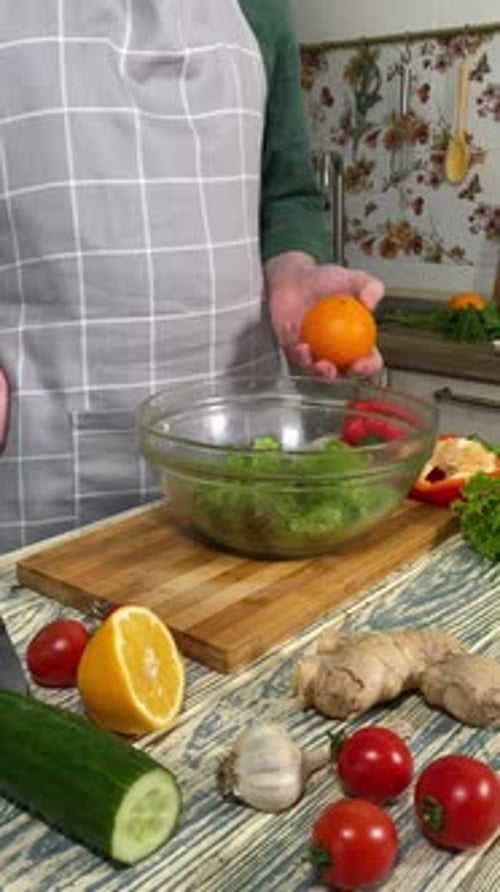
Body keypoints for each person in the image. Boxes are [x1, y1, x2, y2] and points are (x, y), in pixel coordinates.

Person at [0, 0, 384, 554]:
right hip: (41, 440)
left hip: (243, 439)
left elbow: (286, 192)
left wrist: (294, 270)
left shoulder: (260, 9)